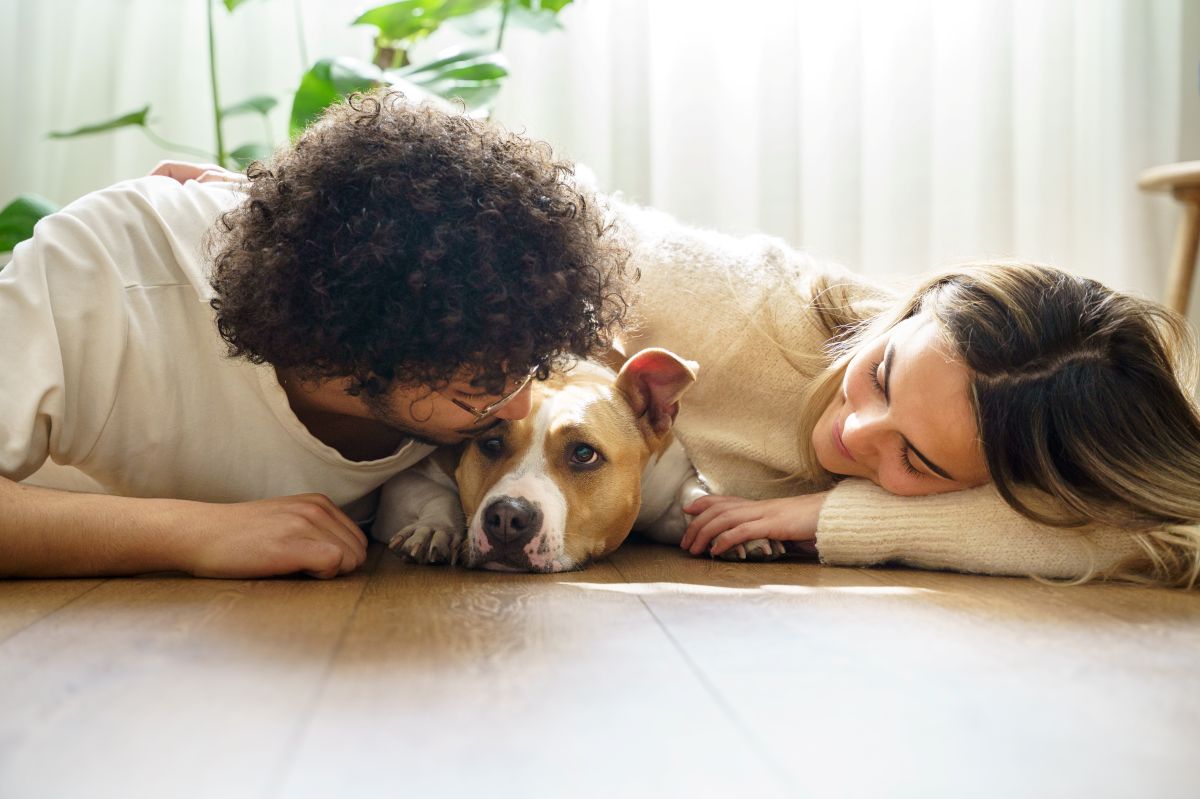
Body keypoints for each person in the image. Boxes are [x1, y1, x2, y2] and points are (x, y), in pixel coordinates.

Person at [0, 91, 630, 579]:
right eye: (486, 386)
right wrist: (199, 533)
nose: (516, 406)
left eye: (529, 369)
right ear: (362, 352)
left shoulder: (489, 317)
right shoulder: (104, 272)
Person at [610, 199, 1200, 588]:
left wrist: (845, 517)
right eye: (881, 378)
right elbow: (560, 232)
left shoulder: (1024, 457)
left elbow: (1170, 535)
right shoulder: (744, 305)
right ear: (912, 310)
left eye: (914, 460)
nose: (856, 431)